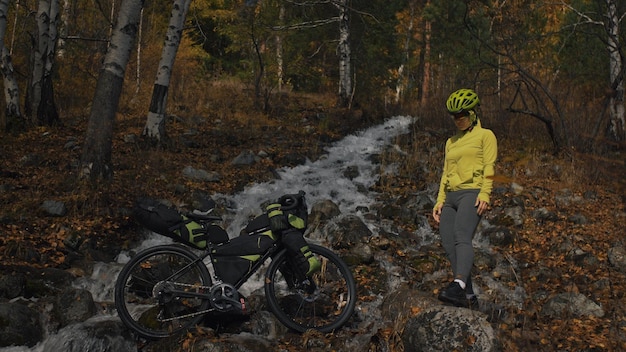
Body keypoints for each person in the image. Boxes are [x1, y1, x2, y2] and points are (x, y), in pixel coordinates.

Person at [432, 88, 497, 308]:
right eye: (454, 116)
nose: (458, 120)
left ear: (473, 113)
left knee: (462, 235)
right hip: (451, 197)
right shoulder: (450, 142)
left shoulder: (485, 135)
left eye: (462, 115)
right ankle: (469, 296)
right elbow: (445, 172)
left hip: (472, 193)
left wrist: (485, 193)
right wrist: (440, 200)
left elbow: (490, 166)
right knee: (450, 245)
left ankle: (458, 284)